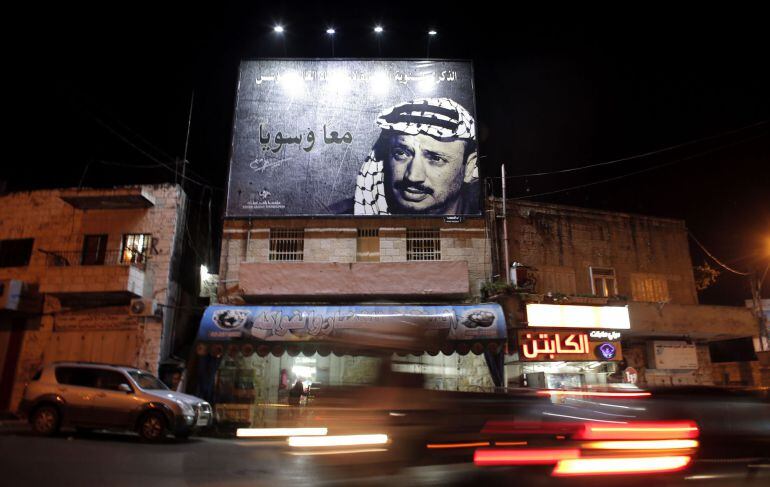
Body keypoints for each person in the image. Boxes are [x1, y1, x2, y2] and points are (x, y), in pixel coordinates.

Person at [331, 97, 479, 215]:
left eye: (435, 158)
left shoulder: (486, 221)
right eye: (401, 153)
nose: (413, 176)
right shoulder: (339, 222)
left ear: (469, 168)